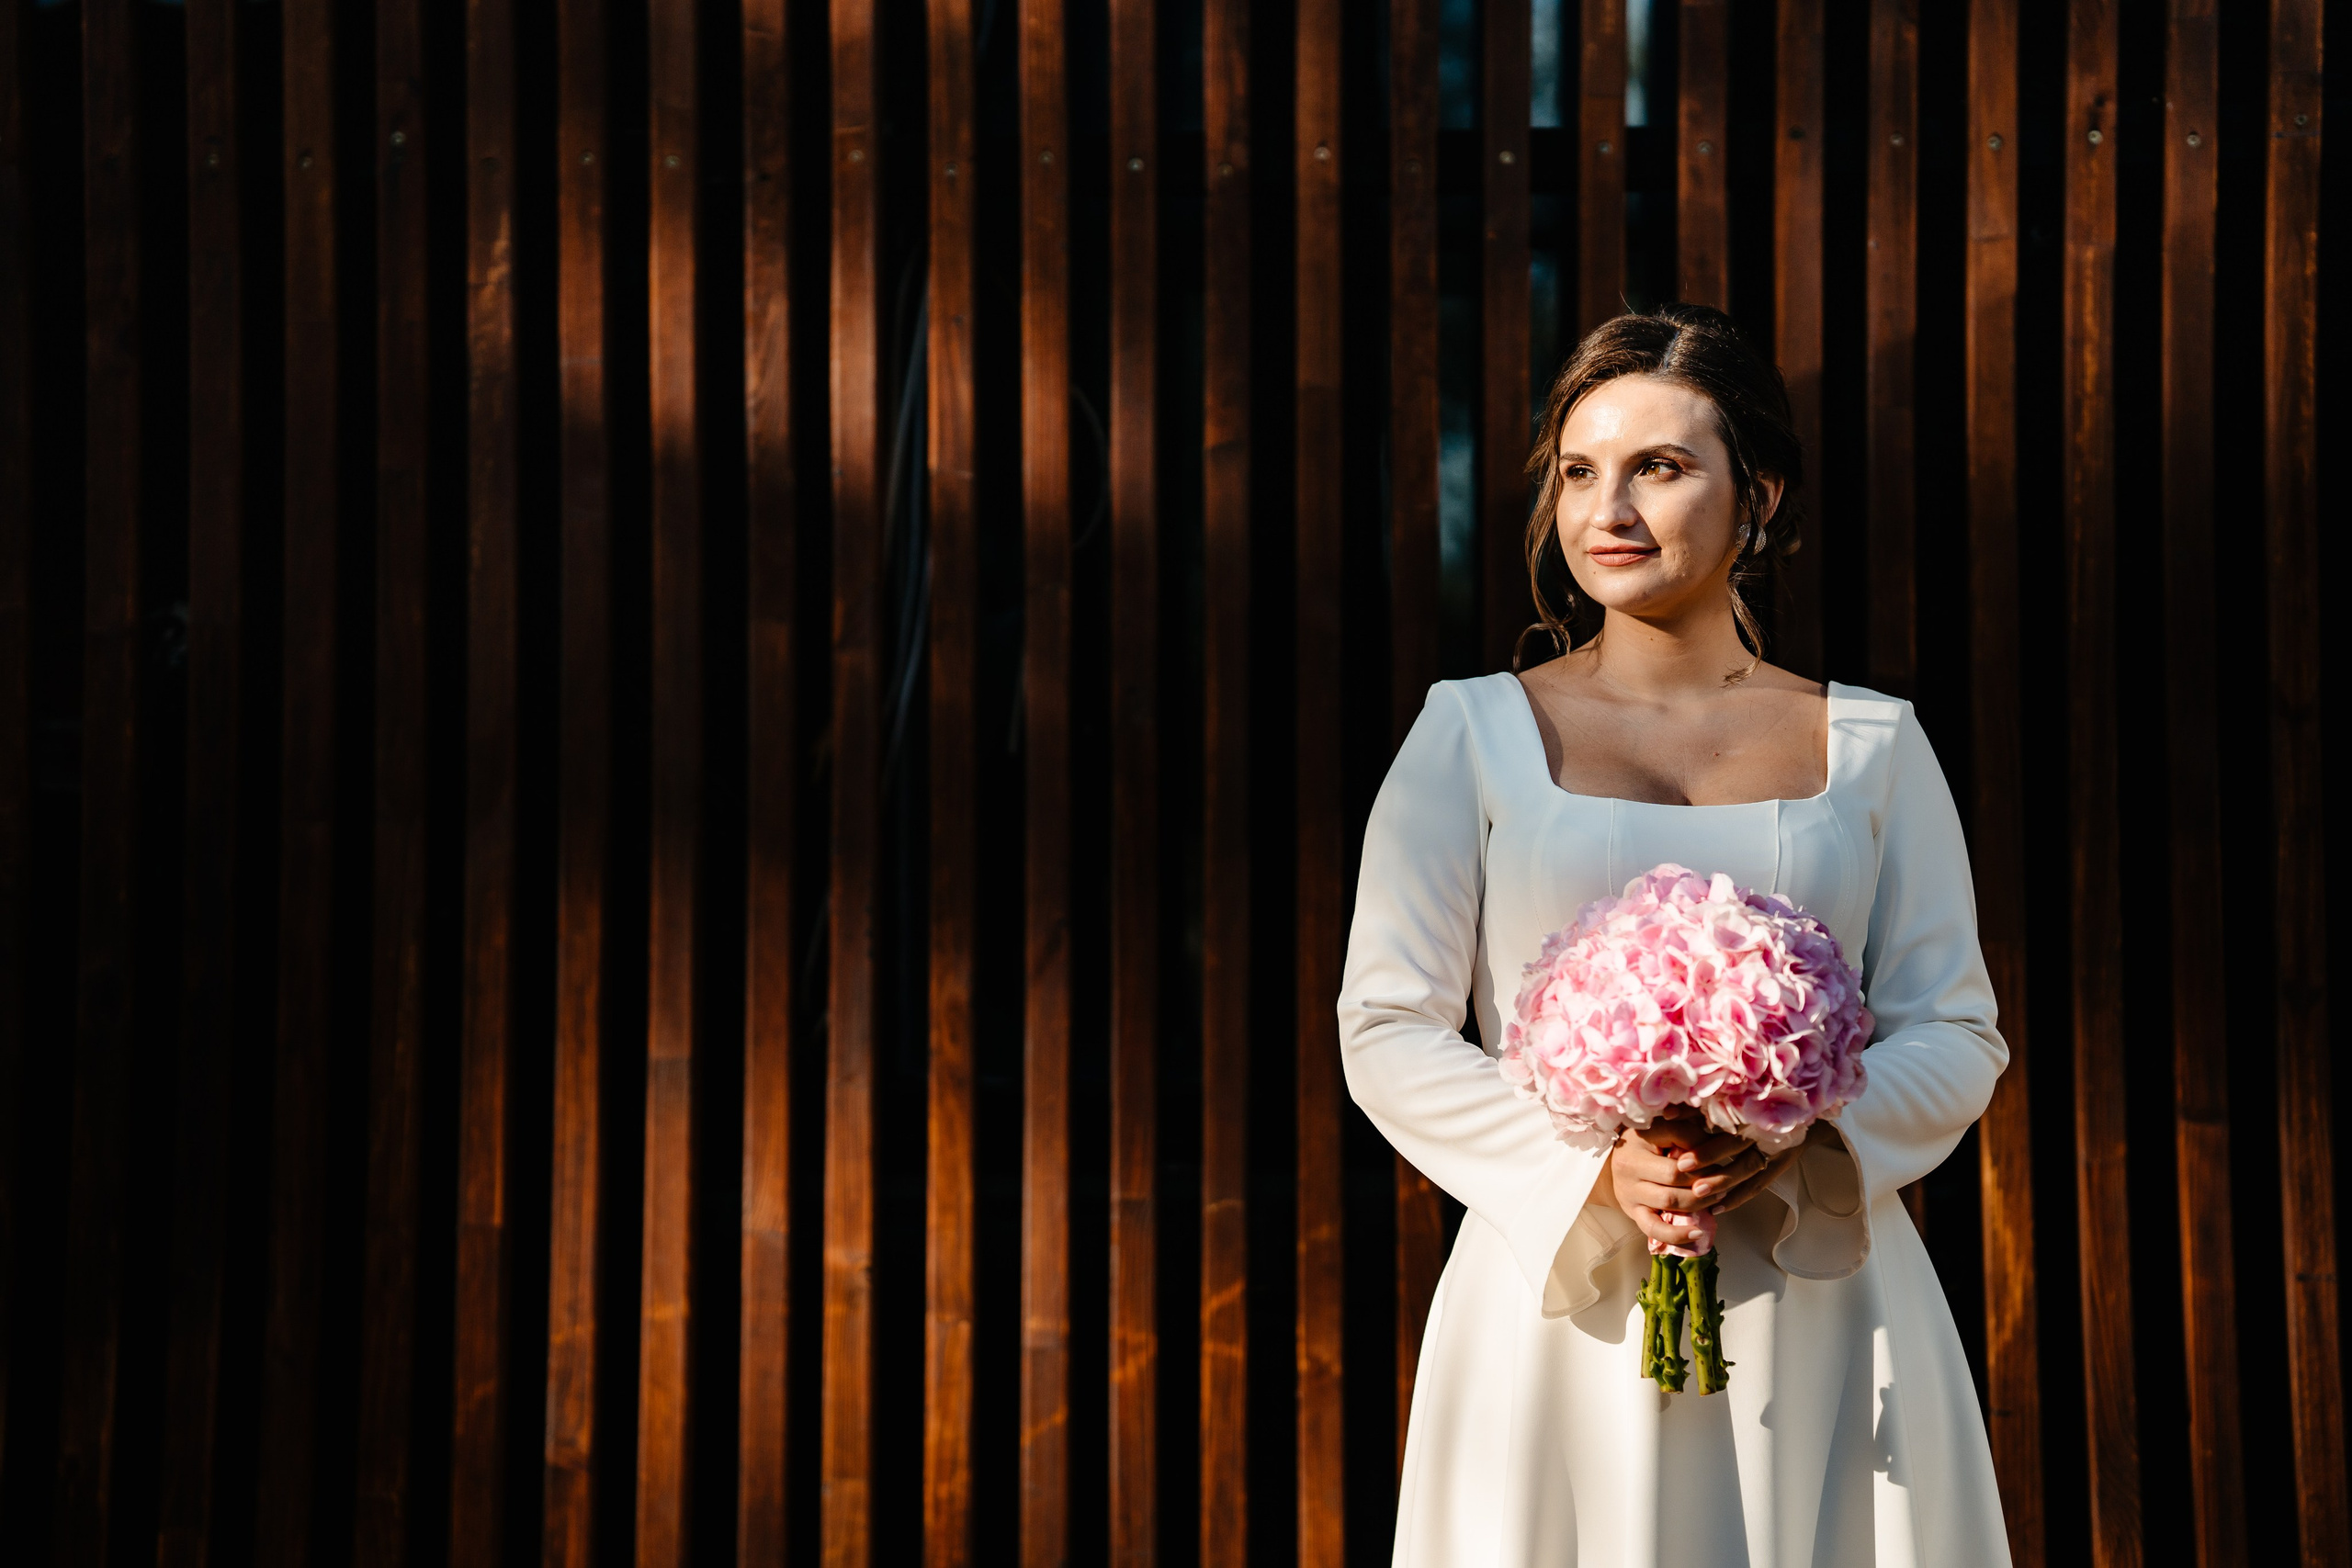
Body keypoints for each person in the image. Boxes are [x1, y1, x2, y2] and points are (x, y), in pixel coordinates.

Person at [1338, 304, 2012, 1566]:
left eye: (1659, 466)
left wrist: (1805, 1135)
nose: (1611, 509)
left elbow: (1957, 1025)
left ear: (1758, 496)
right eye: (1579, 471)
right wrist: (1595, 1174)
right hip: (1563, 1294)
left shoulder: (1874, 745)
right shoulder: (1469, 734)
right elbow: (1386, 1023)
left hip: (1820, 1287)